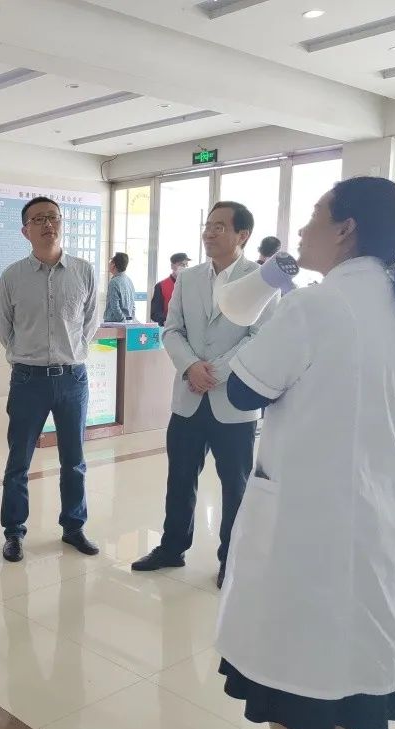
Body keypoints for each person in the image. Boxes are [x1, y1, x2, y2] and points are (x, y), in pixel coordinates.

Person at [221, 177, 395, 729]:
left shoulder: (316, 307)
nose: (301, 230)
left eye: (314, 215)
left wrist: (263, 308)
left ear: (345, 228)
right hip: (376, 519)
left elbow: (242, 391)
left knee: (291, 667)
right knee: (347, 661)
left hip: (304, 523)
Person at [132, 202, 275, 588]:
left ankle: (232, 559)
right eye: (208, 225)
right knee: (180, 479)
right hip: (188, 399)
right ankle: (172, 548)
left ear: (242, 235)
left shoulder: (261, 280)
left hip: (233, 403)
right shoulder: (189, 277)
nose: (209, 233)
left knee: (235, 486)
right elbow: (171, 329)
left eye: (219, 227)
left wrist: (215, 372)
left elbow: (260, 336)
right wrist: (190, 366)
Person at [0, 196, 100, 563]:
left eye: (53, 217)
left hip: (73, 379)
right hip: (28, 379)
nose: (47, 224)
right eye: (38, 219)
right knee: (18, 461)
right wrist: (27, 355)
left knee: (74, 460)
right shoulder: (12, 276)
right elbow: (3, 328)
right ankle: (14, 532)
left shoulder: (84, 271)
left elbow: (90, 322)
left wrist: (73, 352)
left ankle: (74, 526)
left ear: (61, 223)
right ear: (25, 231)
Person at [150, 252, 190, 325]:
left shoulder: (192, 285)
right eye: (181, 264)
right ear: (172, 266)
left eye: (186, 265)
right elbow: (155, 313)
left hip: (190, 327)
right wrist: (165, 321)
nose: (184, 267)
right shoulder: (161, 286)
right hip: (169, 327)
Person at [103, 252, 136, 322]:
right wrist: (129, 321)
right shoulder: (129, 281)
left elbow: (115, 306)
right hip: (127, 322)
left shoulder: (114, 282)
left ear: (113, 264)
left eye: (110, 261)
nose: (109, 264)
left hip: (114, 323)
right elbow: (133, 305)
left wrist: (122, 320)